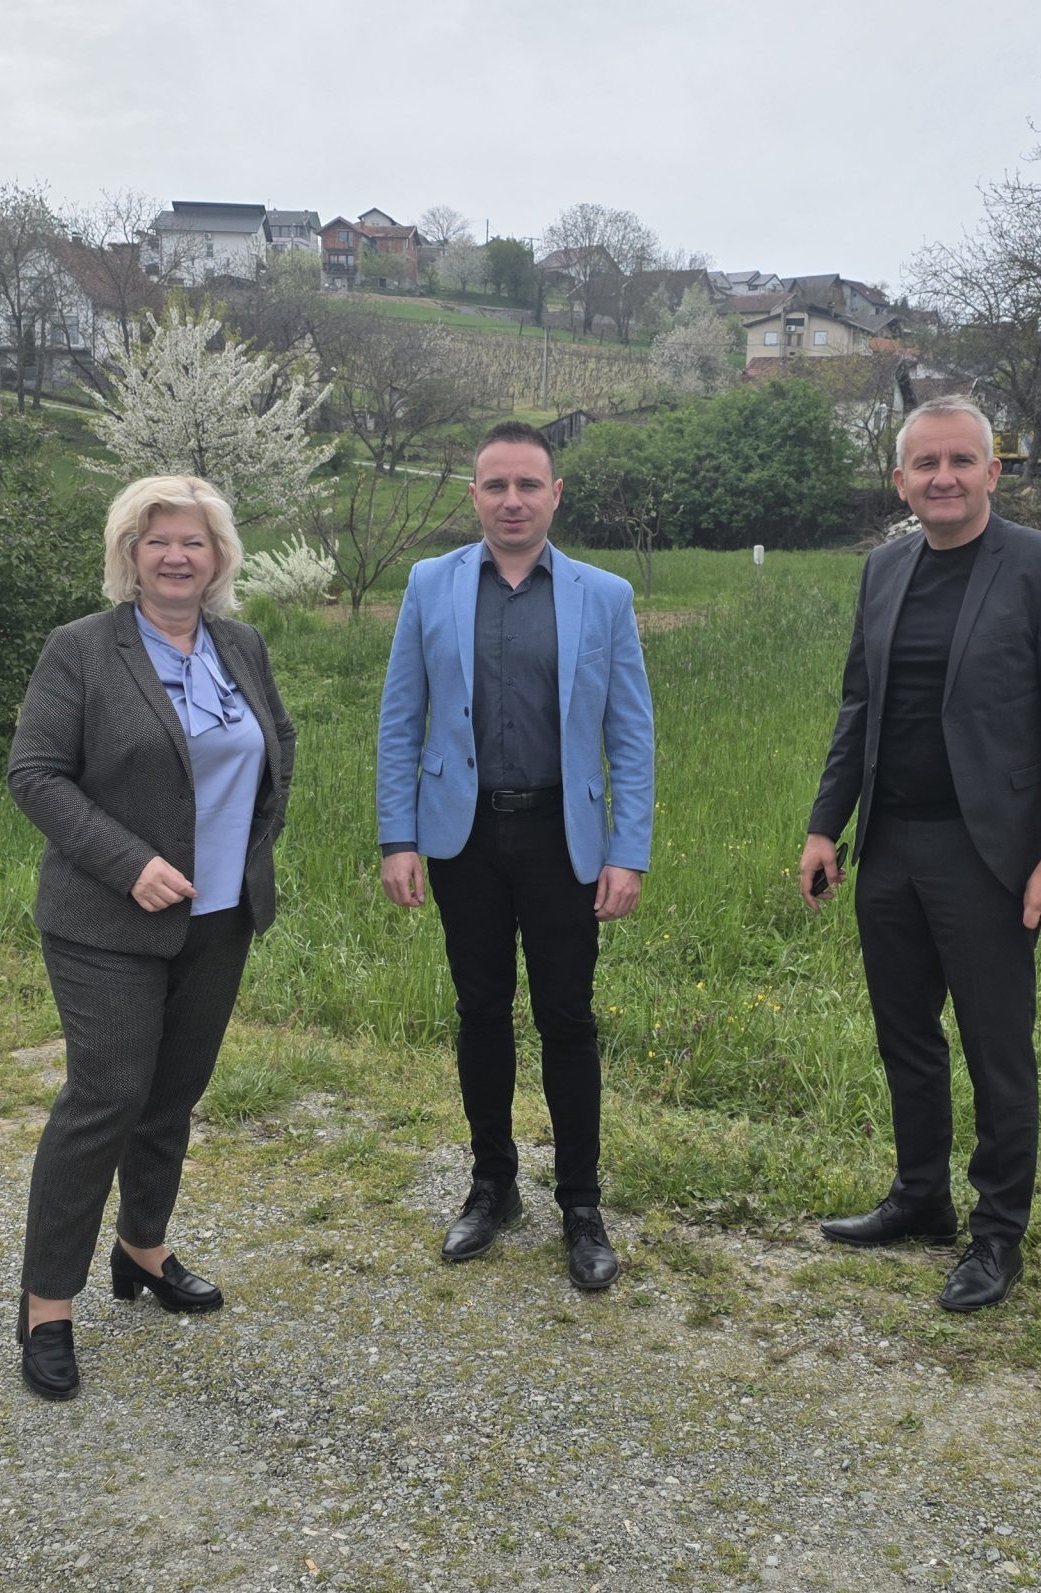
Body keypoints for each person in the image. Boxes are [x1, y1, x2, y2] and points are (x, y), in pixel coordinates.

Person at [799, 395, 1041, 1312]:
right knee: (906, 1036)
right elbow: (860, 706)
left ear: (992, 472)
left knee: (996, 1049)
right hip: (891, 844)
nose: (944, 478)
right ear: (900, 480)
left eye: (961, 461)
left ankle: (998, 1231)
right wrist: (826, 824)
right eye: (926, 464)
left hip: (990, 855)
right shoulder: (884, 568)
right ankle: (921, 1197)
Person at [5, 475, 296, 1399]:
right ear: (128, 554)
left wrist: (251, 853)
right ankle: (47, 1306)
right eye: (157, 540)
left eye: (193, 542)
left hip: (219, 918)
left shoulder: (241, 646)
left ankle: (142, 1248)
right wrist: (129, 862)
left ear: (219, 558)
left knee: (171, 1095)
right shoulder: (82, 650)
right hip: (107, 921)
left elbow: (277, 746)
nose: (176, 556)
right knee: (107, 1098)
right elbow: (36, 774)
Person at [376, 421, 655, 1290]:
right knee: (481, 1010)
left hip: (563, 839)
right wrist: (397, 836)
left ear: (555, 494)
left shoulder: (603, 595)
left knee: (568, 1017)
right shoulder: (430, 583)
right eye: (495, 485)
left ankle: (581, 1204)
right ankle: (492, 1185)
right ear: (474, 495)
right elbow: (400, 717)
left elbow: (631, 733)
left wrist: (628, 850)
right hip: (462, 837)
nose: (512, 501)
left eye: (528, 484)